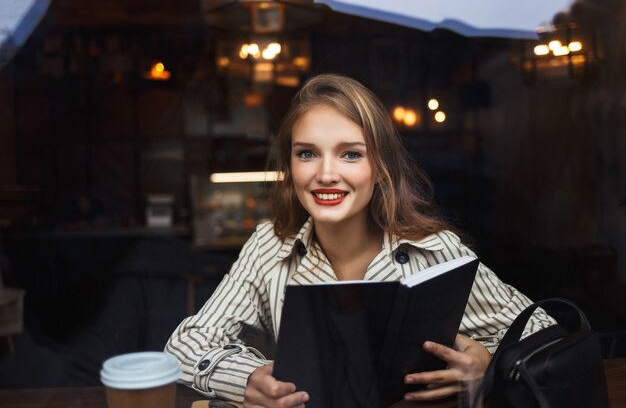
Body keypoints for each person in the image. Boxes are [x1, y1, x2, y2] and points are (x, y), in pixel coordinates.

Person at [165, 74, 555, 407]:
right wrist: (249, 378)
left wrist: (487, 364)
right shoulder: (269, 245)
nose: (326, 174)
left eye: (350, 155)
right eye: (307, 154)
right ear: (290, 164)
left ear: (380, 167)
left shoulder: (436, 249)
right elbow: (184, 345)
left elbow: (543, 331)